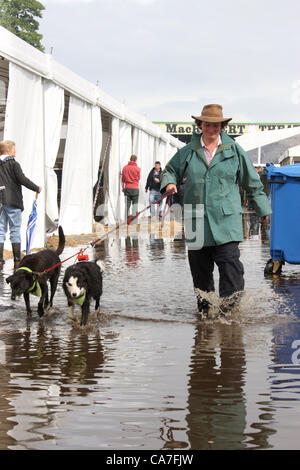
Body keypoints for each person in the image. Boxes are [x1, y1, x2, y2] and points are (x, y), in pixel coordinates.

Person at [160, 104, 272, 317]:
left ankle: (230, 314)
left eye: (216, 125)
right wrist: (169, 183)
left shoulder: (234, 150)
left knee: (231, 270)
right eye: (208, 124)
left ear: (222, 126)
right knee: (201, 276)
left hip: (226, 221)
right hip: (196, 221)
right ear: (200, 125)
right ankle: (205, 319)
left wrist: (262, 207)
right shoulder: (188, 152)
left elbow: (251, 181)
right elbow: (170, 170)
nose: (212, 129)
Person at [0, 140, 42, 269]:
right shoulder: (13, 164)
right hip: (13, 201)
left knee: (1, 230)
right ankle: (17, 260)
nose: (15, 151)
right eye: (14, 149)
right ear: (9, 151)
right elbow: (22, 179)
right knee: (15, 230)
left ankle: (0, 260)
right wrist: (36, 188)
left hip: (0, 202)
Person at [121, 155, 141, 222]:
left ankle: (127, 220)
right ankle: (134, 220)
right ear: (136, 160)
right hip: (135, 188)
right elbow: (138, 178)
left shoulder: (125, 168)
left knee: (127, 205)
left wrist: (123, 187)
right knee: (135, 205)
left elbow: (123, 179)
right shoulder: (138, 169)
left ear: (130, 159)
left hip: (127, 188)